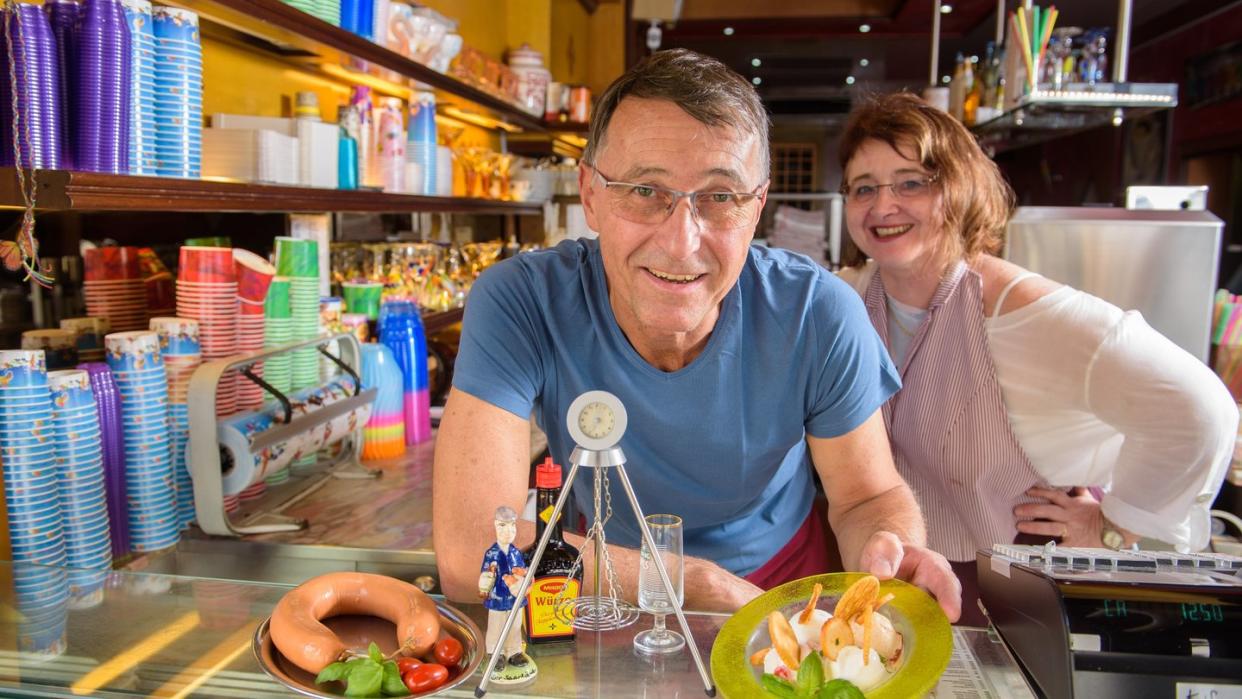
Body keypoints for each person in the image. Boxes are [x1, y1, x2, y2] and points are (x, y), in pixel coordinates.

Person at [434, 50, 962, 622]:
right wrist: (689, 582)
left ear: (756, 206)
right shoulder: (522, 300)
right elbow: (472, 556)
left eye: (719, 197)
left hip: (782, 595)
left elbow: (865, 498)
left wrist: (892, 548)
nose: (682, 242)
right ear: (590, 194)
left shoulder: (819, 312)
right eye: (643, 190)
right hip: (600, 584)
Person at [836, 91, 1238, 625]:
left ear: (958, 189)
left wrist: (1114, 527)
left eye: (911, 182)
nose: (883, 205)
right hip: (903, 577)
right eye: (864, 188)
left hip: (1019, 586)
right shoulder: (854, 296)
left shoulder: (1025, 312)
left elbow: (1198, 409)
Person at [478, 506, 530, 673]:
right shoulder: (491, 554)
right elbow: (485, 574)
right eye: (503, 525)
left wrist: (522, 576)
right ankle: (495, 652)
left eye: (512, 525)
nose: (509, 531)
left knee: (515, 626)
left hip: (514, 597)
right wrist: (486, 584)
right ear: (495, 526)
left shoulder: (516, 553)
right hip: (497, 598)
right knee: (496, 626)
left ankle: (513, 651)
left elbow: (521, 571)